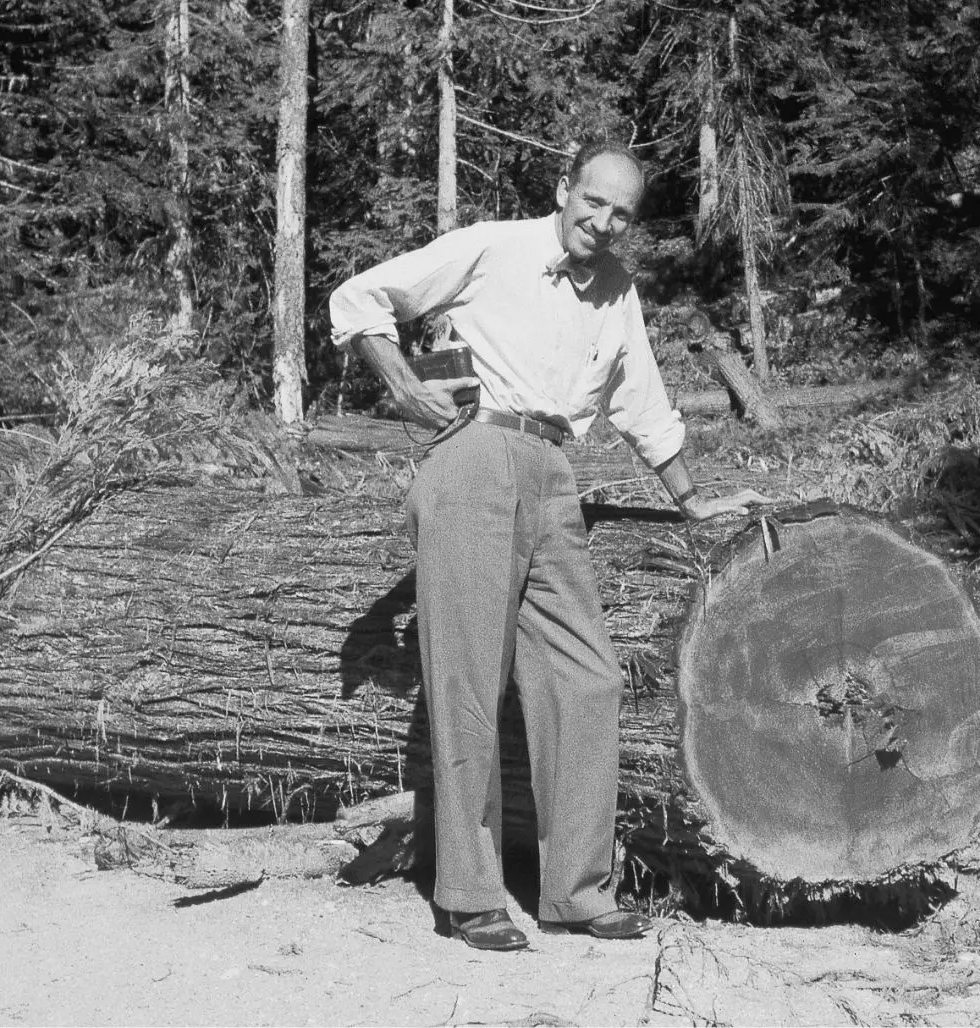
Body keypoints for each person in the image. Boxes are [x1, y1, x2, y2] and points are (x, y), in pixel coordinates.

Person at [328, 142, 768, 951]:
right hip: (473, 455)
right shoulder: (495, 247)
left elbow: (643, 402)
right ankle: (467, 893)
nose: (601, 222)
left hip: (554, 473)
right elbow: (361, 295)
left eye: (620, 214)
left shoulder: (616, 291)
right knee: (467, 681)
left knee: (586, 678)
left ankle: (576, 890)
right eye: (592, 202)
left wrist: (692, 498)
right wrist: (403, 385)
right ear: (564, 189)